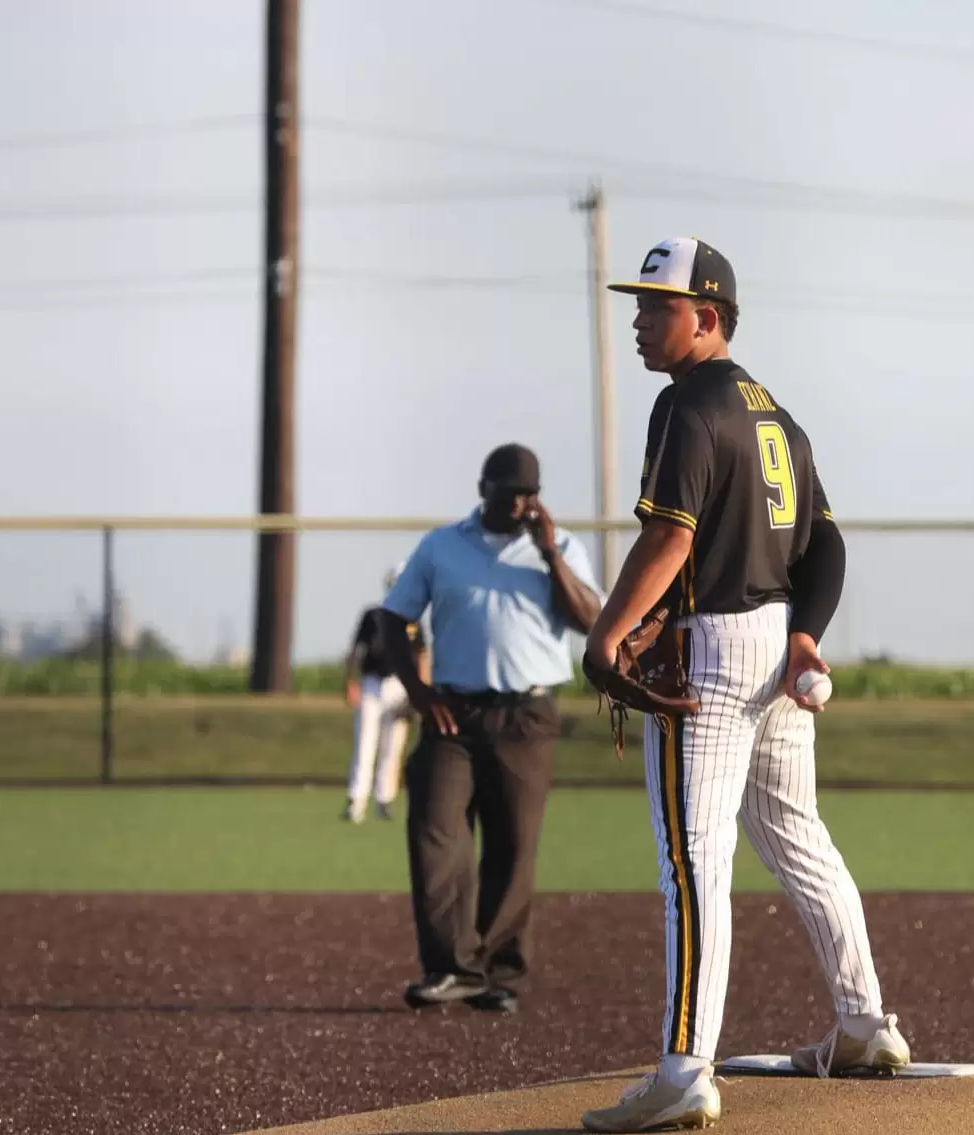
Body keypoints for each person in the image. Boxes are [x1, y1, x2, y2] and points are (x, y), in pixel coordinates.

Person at [580, 238, 909, 1132]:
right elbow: (826, 542)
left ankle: (685, 1067)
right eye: (640, 304)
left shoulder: (687, 403)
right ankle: (865, 1023)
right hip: (773, 645)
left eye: (658, 305)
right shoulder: (778, 417)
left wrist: (607, 634)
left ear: (707, 317)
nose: (641, 320)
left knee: (694, 862)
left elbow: (671, 537)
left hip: (713, 654)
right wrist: (803, 636)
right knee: (799, 836)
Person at [375, 443, 604, 1015]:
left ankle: (498, 971)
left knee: (513, 843)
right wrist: (420, 692)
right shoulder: (441, 545)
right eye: (509, 494)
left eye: (529, 494)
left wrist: (549, 554)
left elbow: (590, 619)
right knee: (436, 833)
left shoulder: (561, 546)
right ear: (484, 490)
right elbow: (393, 617)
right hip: (453, 713)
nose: (520, 504)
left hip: (526, 715)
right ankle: (451, 967)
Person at [340, 561, 429, 823]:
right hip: (371, 683)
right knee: (365, 742)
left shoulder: (413, 621)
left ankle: (384, 799)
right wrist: (350, 682)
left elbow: (422, 656)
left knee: (393, 746)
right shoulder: (373, 615)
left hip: (400, 687)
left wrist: (421, 692)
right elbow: (356, 650)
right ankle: (356, 800)